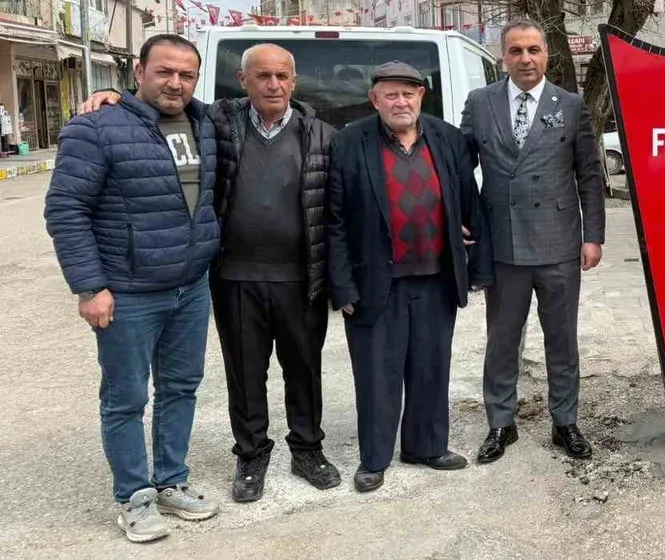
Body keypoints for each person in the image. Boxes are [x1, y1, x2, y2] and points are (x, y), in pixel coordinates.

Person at [80, 44, 341, 503]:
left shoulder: (321, 134)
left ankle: (307, 448)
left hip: (301, 279)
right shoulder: (217, 124)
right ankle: (252, 454)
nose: (274, 85)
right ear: (243, 82)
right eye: (262, 76)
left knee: (304, 370)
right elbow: (164, 102)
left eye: (282, 76)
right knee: (245, 374)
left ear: (294, 82)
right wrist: (115, 94)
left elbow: (337, 210)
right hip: (234, 277)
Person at [45, 34, 221, 543]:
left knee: (181, 387)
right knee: (125, 398)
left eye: (186, 74)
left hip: (191, 285)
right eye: (164, 71)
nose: (175, 82)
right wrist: (89, 285)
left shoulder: (206, 123)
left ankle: (170, 480)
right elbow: (65, 210)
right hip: (128, 291)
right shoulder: (96, 127)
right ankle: (134, 496)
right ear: (138, 72)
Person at [326, 60, 492, 492]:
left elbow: (468, 202)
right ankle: (375, 458)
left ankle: (426, 446)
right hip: (375, 282)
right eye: (392, 94)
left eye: (409, 93)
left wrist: (478, 268)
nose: (401, 101)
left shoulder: (447, 139)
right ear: (374, 99)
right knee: (377, 374)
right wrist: (341, 285)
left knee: (431, 367)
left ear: (422, 97)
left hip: (436, 278)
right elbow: (335, 220)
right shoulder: (349, 143)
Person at [460, 19, 606, 464]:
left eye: (534, 50)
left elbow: (589, 174)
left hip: (559, 243)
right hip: (502, 244)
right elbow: (459, 167)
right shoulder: (480, 102)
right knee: (502, 339)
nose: (526, 59)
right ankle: (501, 423)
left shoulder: (570, 103)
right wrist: (462, 221)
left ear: (547, 54)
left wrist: (593, 236)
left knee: (561, 339)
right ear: (503, 56)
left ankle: (566, 422)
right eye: (516, 51)